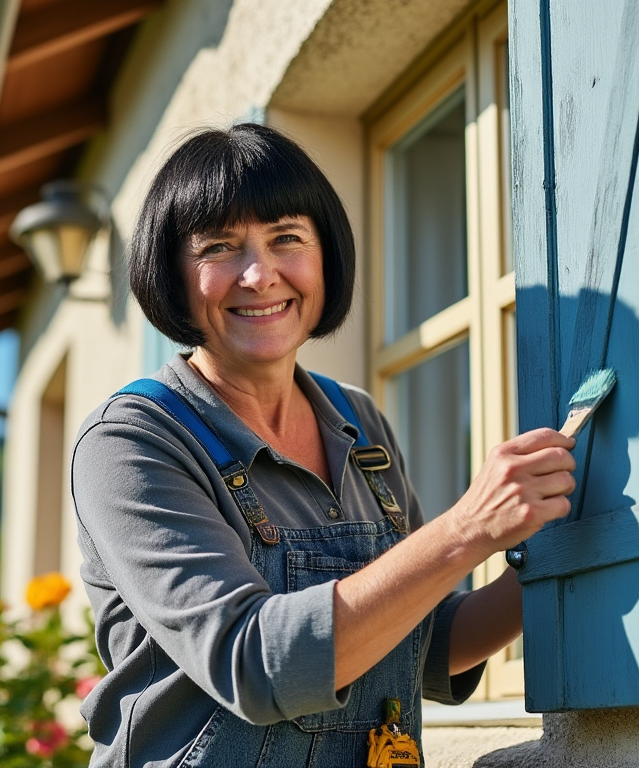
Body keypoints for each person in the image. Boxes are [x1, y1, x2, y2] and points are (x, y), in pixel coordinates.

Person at [70, 123, 575, 768]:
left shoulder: (356, 421)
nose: (259, 275)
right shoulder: (133, 443)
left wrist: (556, 535)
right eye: (220, 248)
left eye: (287, 238)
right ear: (171, 274)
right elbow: (254, 664)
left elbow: (427, 646)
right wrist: (467, 529)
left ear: (325, 257)